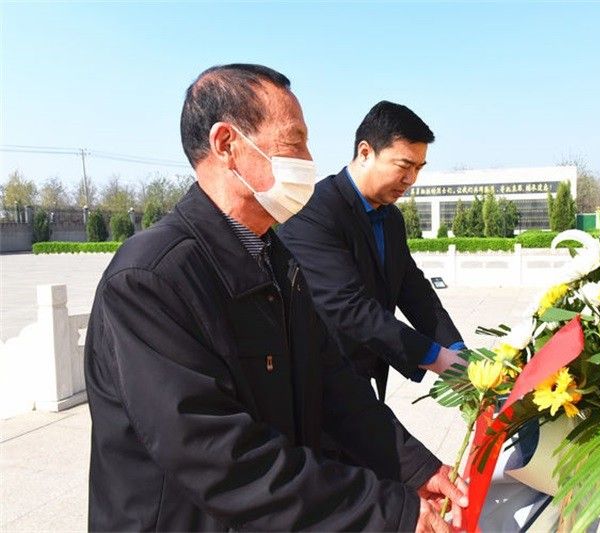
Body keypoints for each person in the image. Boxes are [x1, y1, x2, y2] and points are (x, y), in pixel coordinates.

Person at [84, 64, 467, 531]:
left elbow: (332, 383)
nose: (309, 160)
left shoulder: (276, 258)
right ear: (227, 145)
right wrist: (389, 512)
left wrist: (413, 467)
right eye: (294, 143)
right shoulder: (151, 279)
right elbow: (220, 457)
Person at [278, 101, 466, 402]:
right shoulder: (313, 211)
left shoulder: (390, 217)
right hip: (315, 381)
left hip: (364, 377)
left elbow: (413, 289)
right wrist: (438, 359)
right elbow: (348, 305)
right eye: (404, 166)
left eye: (418, 168)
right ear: (365, 153)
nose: (411, 179)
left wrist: (457, 349)